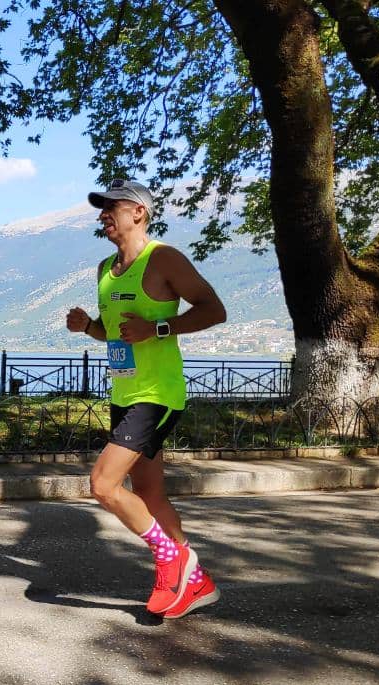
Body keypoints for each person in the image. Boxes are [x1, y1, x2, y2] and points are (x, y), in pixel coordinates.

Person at [65, 179, 227, 619]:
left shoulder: (164, 259)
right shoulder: (105, 269)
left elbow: (214, 310)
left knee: (103, 485)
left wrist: (157, 328)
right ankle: (195, 581)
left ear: (139, 212)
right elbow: (115, 333)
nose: (104, 214)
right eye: (101, 207)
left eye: (112, 206)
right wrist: (88, 327)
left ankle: (171, 557)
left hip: (157, 393)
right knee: (150, 493)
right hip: (125, 391)